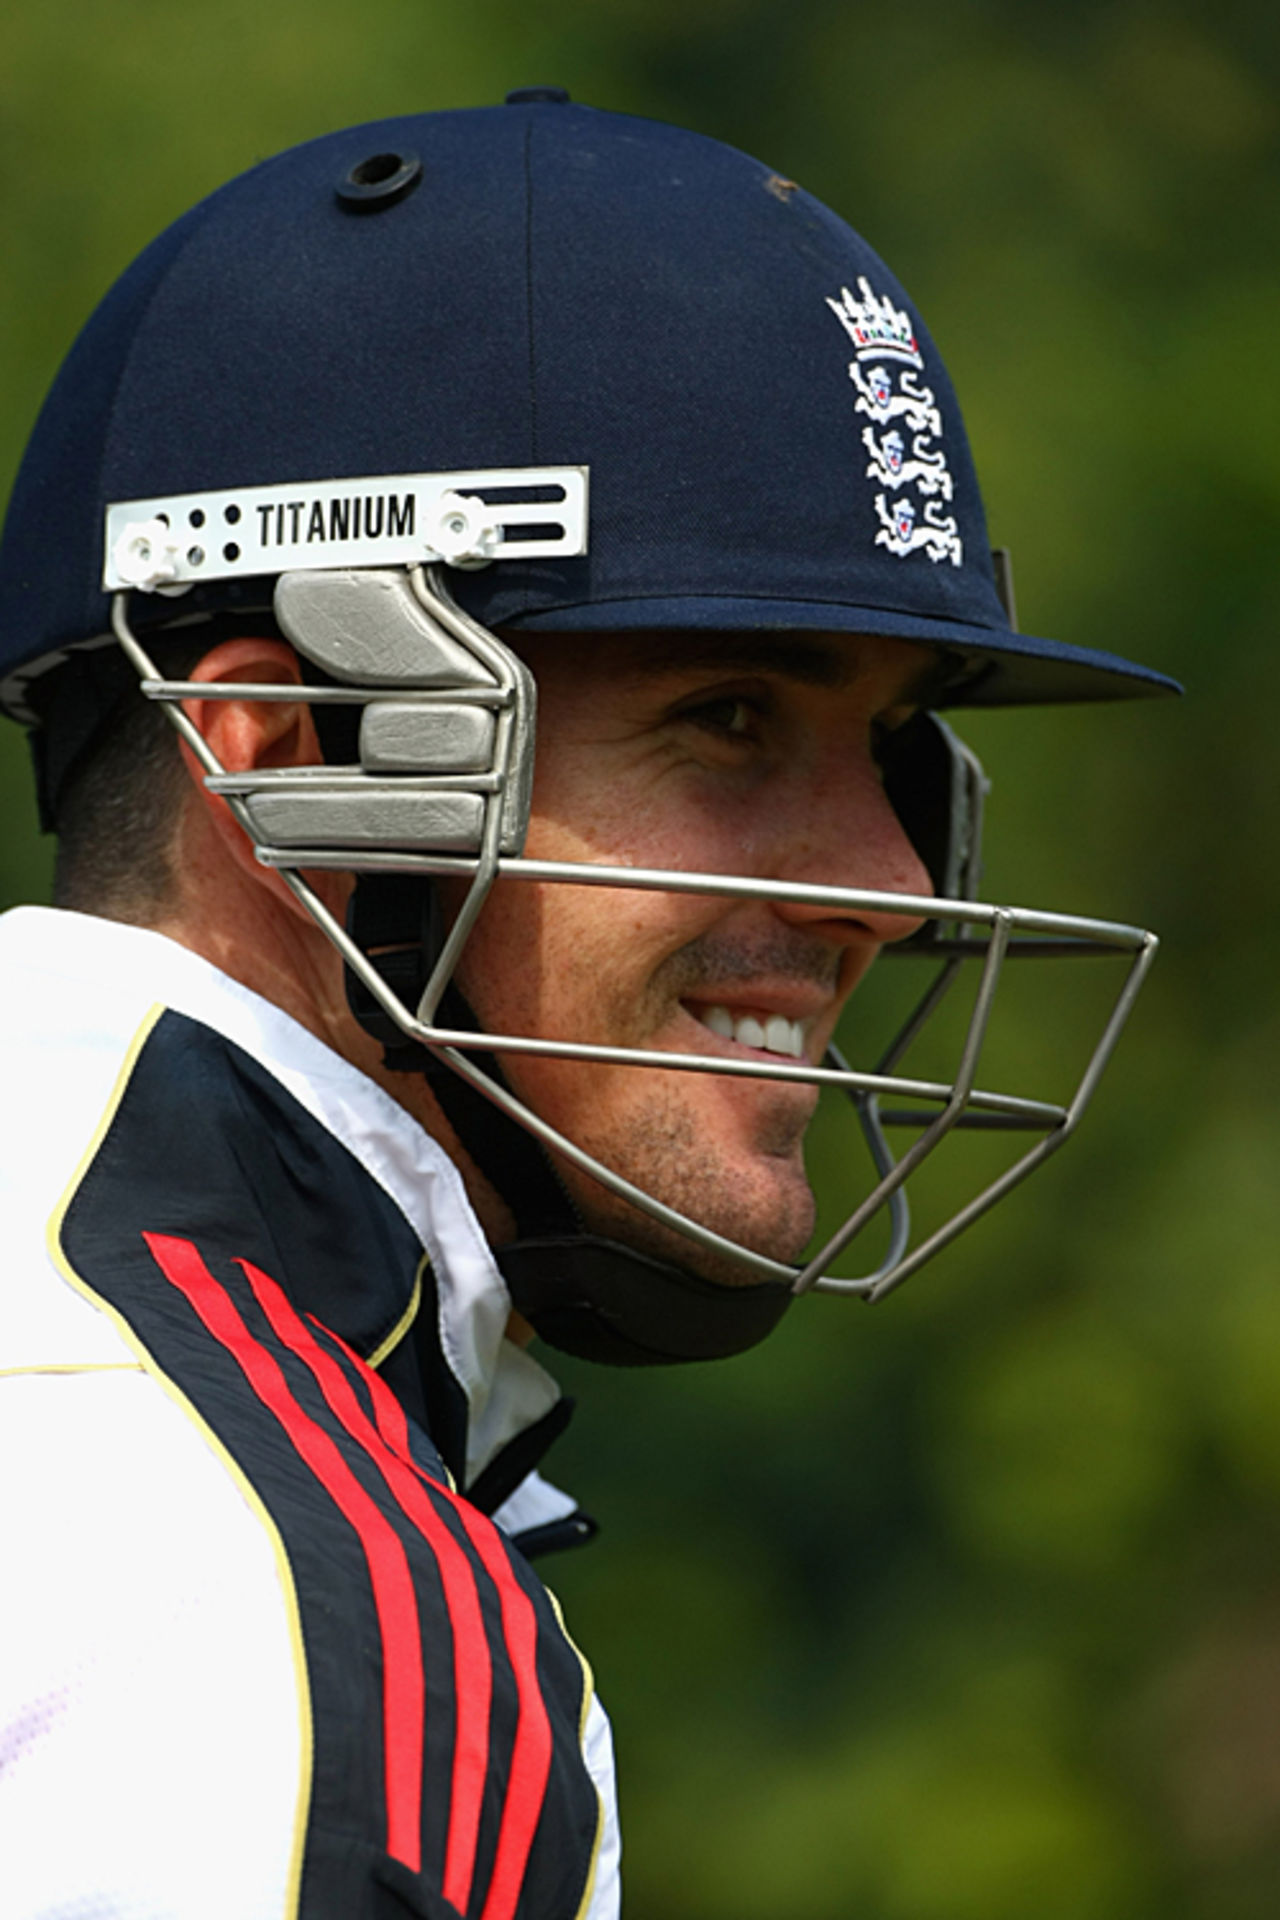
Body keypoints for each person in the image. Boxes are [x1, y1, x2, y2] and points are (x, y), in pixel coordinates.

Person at [0, 93, 1175, 1919]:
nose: (892, 882)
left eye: (887, 750)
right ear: (291, 753)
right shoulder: (267, 1570)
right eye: (727, 720)